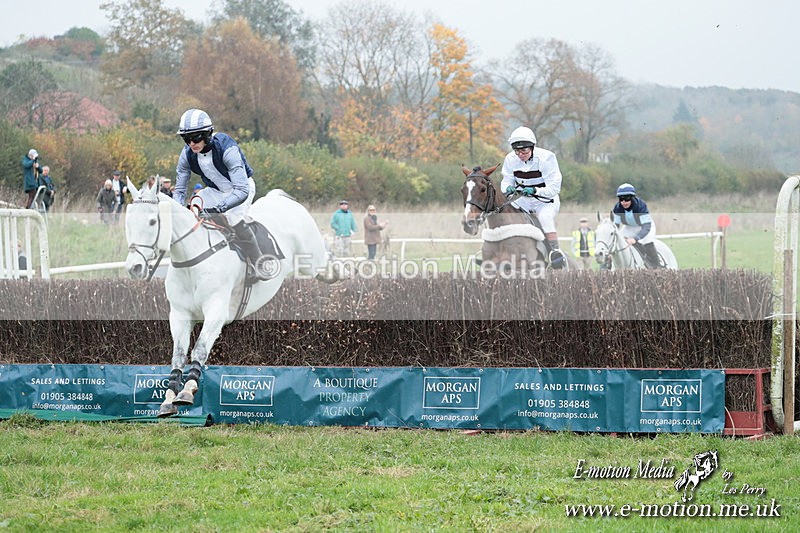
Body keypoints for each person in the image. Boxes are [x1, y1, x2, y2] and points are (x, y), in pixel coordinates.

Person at [172, 108, 275, 281]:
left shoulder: (227, 148)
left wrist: (220, 208)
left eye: (196, 137)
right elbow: (180, 190)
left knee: (232, 218)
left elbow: (242, 190)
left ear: (208, 134)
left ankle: (260, 263)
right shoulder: (186, 154)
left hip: (241, 188)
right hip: (215, 191)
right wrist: (177, 210)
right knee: (194, 208)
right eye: (186, 138)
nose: (191, 143)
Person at [501, 126, 565, 269]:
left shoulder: (547, 158)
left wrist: (535, 190)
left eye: (524, 151)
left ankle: (555, 252)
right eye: (517, 151)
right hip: (523, 200)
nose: (520, 155)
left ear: (532, 147)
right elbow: (506, 181)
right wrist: (507, 188)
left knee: (544, 217)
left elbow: (554, 188)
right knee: (507, 215)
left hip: (545, 201)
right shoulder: (510, 159)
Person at [612, 183, 664, 269]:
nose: (624, 202)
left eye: (627, 198)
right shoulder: (617, 208)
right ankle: (608, 265)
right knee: (616, 241)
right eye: (621, 199)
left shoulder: (640, 205)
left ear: (632, 197)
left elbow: (646, 227)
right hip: (629, 227)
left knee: (646, 241)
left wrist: (635, 239)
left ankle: (657, 267)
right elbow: (615, 226)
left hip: (645, 227)